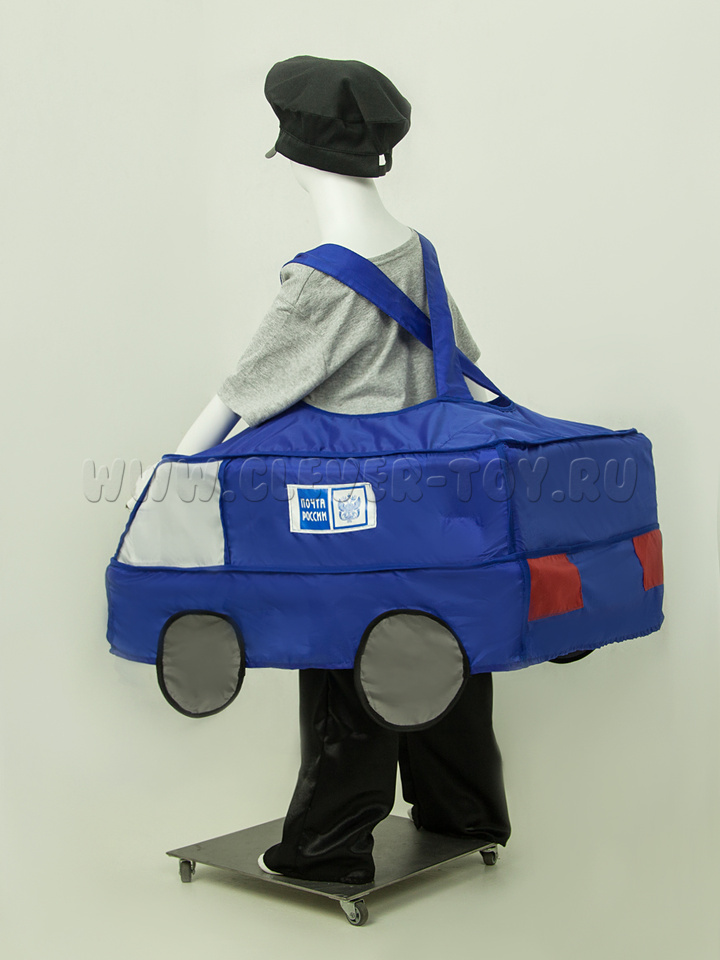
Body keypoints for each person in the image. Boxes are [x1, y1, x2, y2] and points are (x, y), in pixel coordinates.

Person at [131, 55, 512, 885]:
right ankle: (465, 812)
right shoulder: (420, 253)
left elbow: (241, 394)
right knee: (443, 642)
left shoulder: (320, 276)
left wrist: (171, 472)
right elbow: (467, 369)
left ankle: (329, 848)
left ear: (298, 155)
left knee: (348, 657)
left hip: (356, 513)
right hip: (440, 505)